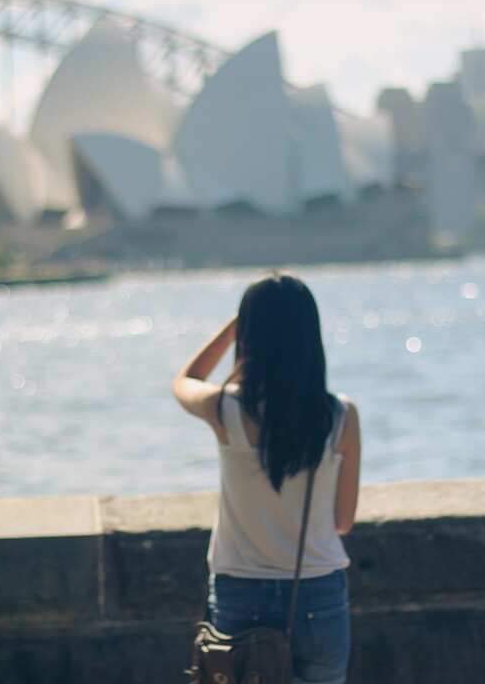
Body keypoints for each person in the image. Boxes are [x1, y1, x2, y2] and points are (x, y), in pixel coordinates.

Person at [172, 272, 361, 684]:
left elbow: (184, 381)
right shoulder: (339, 416)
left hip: (241, 592)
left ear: (249, 336)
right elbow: (342, 521)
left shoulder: (225, 410)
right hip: (317, 593)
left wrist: (233, 326)